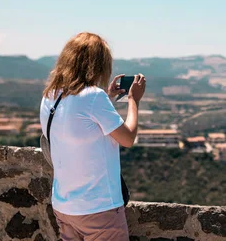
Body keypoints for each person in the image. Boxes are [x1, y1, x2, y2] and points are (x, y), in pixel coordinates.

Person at [39, 32, 146, 241]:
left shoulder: (50, 96)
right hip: (98, 208)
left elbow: (80, 123)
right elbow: (128, 138)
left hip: (64, 206)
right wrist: (134, 100)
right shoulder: (93, 96)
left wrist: (108, 96)